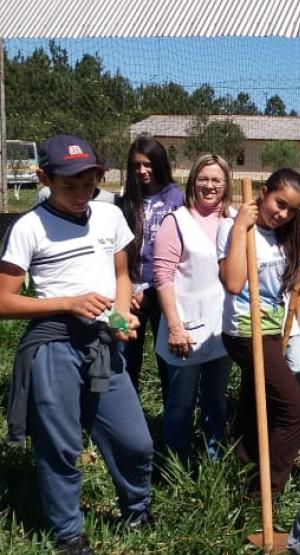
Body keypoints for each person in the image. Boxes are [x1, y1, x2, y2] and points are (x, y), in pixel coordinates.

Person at [0, 135, 153, 554]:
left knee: (134, 441)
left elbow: (121, 275)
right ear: (43, 177)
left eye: (89, 182)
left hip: (103, 344)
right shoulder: (28, 228)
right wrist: (68, 303)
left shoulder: (108, 217)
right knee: (61, 444)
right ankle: (68, 533)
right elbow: (3, 300)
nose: (82, 193)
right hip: (53, 346)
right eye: (69, 185)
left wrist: (120, 318)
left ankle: (138, 510)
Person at [218, 168, 300, 492]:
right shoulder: (234, 227)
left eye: (291, 210)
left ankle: (241, 470)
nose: (282, 214)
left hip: (272, 331)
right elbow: (232, 283)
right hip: (245, 331)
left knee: (258, 403)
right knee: (297, 412)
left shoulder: (284, 233)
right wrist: (241, 228)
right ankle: (266, 491)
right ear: (264, 191)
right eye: (279, 203)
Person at [153, 154, 234, 461]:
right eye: (203, 179)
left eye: (216, 180)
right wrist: (174, 326)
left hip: (221, 330)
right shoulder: (177, 222)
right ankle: (177, 462)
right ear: (192, 182)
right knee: (182, 401)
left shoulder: (234, 220)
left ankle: (213, 459)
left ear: (226, 184)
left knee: (216, 399)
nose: (209, 186)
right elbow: (162, 277)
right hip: (185, 329)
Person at [118, 136, 184, 398]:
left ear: (159, 164)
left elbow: (181, 253)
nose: (142, 171)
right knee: (121, 357)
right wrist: (125, 291)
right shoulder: (125, 201)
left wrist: (150, 292)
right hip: (123, 296)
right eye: (136, 166)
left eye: (147, 164)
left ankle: (170, 426)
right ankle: (124, 420)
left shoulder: (177, 199)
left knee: (169, 362)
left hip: (163, 294)